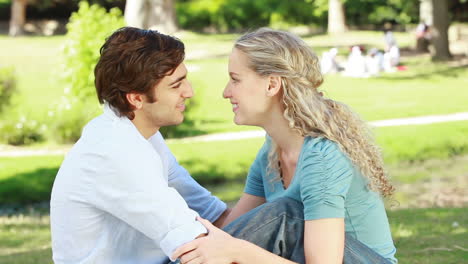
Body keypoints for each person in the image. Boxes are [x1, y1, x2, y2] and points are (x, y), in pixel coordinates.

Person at [173, 28, 397, 264]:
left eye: (235, 79)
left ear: (272, 84)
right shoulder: (272, 153)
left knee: (288, 216)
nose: (226, 92)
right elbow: (238, 230)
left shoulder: (322, 157)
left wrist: (236, 251)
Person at [50, 27, 232, 264]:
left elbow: (211, 213)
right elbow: (194, 245)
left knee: (279, 216)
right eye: (176, 85)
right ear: (136, 98)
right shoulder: (114, 152)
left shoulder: (142, 135)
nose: (189, 92)